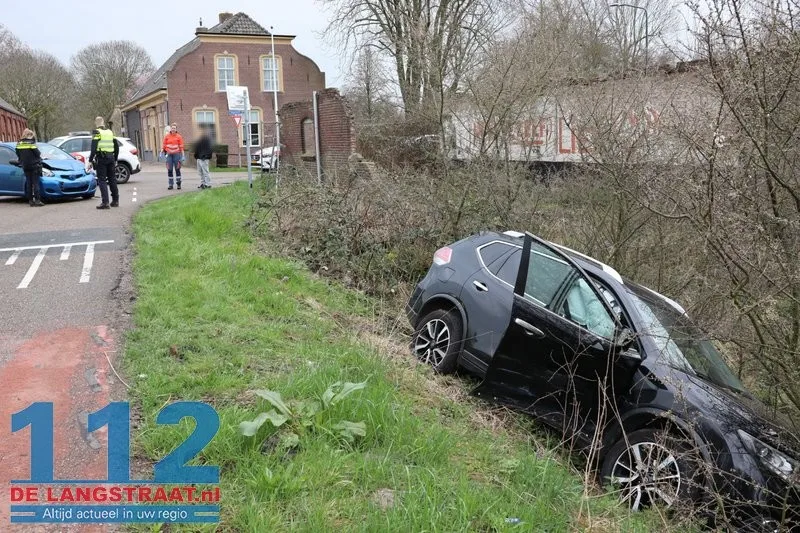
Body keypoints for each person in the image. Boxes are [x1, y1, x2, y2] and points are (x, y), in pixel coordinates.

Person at [89, 116, 120, 209]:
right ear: (103, 122)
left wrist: (90, 160)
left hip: (101, 158)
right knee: (112, 179)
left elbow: (93, 148)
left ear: (96, 123)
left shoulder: (96, 132)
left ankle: (105, 202)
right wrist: (115, 158)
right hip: (111, 158)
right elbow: (116, 147)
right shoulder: (110, 132)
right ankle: (115, 201)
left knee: (102, 180)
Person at [15, 129, 44, 207]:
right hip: (34, 165)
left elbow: (18, 154)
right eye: (31, 135)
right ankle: (37, 200)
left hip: (25, 166)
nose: (32, 137)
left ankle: (30, 201)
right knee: (35, 183)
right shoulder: (31, 143)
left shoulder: (19, 143)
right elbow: (38, 154)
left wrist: (22, 160)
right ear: (29, 135)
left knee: (28, 183)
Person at [162, 123, 185, 190]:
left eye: (174, 128)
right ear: (170, 129)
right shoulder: (167, 136)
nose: (173, 129)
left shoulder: (179, 137)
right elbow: (164, 145)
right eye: (172, 128)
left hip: (176, 155)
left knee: (177, 169)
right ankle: (170, 184)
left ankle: (178, 184)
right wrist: (162, 151)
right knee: (169, 169)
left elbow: (181, 146)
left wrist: (183, 155)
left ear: (176, 129)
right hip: (169, 155)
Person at [193, 124, 213, 189]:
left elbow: (210, 149)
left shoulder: (208, 140)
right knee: (200, 172)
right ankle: (203, 183)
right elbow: (197, 148)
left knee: (205, 172)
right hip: (199, 158)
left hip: (204, 158)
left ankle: (208, 184)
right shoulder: (199, 139)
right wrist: (196, 156)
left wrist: (206, 156)